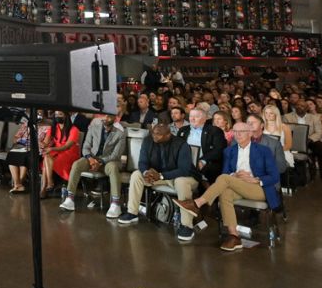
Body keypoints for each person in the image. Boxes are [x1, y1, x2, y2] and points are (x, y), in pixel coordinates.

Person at [173, 120, 282, 252]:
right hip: (236, 184)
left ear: (249, 133)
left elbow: (274, 176)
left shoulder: (264, 150)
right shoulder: (229, 151)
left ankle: (197, 204)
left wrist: (256, 179)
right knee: (225, 192)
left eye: (241, 131)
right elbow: (225, 173)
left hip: (259, 188)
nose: (237, 134)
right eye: (235, 131)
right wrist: (234, 175)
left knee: (224, 179)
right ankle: (234, 236)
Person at [120, 124, 198, 242]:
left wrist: (161, 175)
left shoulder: (181, 144)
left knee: (181, 182)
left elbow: (184, 169)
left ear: (168, 135)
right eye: (153, 133)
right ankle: (132, 213)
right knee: (137, 175)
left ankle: (187, 226)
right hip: (158, 176)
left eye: (159, 134)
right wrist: (146, 172)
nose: (155, 136)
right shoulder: (148, 141)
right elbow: (142, 162)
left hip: (183, 177)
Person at [60, 113, 126, 216]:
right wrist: (90, 159)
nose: (105, 118)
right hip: (92, 159)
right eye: (104, 116)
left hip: (108, 162)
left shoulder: (120, 134)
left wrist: (100, 162)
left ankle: (115, 205)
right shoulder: (93, 127)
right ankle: (70, 199)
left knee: (113, 168)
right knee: (77, 164)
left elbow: (115, 155)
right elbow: (86, 147)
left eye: (109, 116)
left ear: (115, 118)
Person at [179, 107, 227, 184]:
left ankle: (207, 191)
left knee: (210, 169)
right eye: (191, 116)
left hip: (206, 162)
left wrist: (203, 161)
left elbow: (218, 150)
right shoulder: (183, 130)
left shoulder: (214, 131)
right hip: (185, 161)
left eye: (196, 117)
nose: (192, 119)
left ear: (204, 119)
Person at [40, 111, 82, 198]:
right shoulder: (53, 128)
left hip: (70, 153)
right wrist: (41, 143)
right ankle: (48, 184)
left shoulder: (74, 129)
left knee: (46, 160)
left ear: (66, 116)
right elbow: (45, 142)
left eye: (60, 114)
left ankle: (45, 187)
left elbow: (67, 147)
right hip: (57, 151)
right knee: (46, 156)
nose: (57, 116)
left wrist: (51, 148)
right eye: (56, 114)